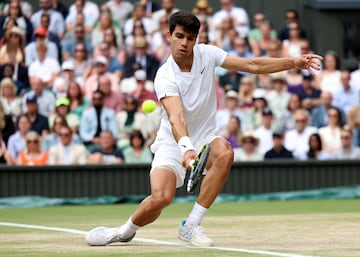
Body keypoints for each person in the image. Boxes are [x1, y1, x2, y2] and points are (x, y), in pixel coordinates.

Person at [85, 11, 322, 247]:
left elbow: (252, 64)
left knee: (225, 152)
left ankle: (191, 225)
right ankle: (123, 231)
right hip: (171, 143)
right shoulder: (164, 76)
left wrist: (294, 62)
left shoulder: (208, 54)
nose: (184, 43)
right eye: (179, 36)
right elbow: (177, 117)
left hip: (206, 137)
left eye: (190, 38)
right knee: (161, 198)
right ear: (169, 36)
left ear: (196, 39)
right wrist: (186, 148)